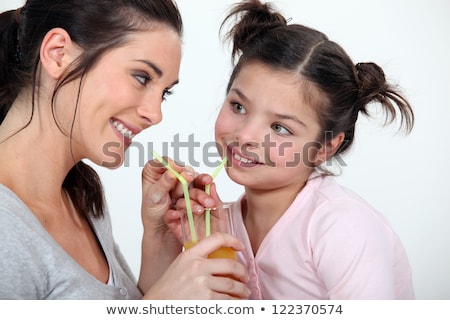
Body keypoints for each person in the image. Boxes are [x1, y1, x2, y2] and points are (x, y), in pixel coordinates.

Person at [0, 0, 249, 299]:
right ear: (58, 54)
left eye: (164, 93)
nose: (155, 115)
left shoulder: (82, 195)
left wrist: (159, 239)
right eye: (142, 77)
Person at [181, 0, 415, 299]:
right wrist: (208, 254)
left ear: (324, 148)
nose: (247, 135)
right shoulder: (219, 225)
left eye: (280, 128)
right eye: (238, 106)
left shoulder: (342, 227)